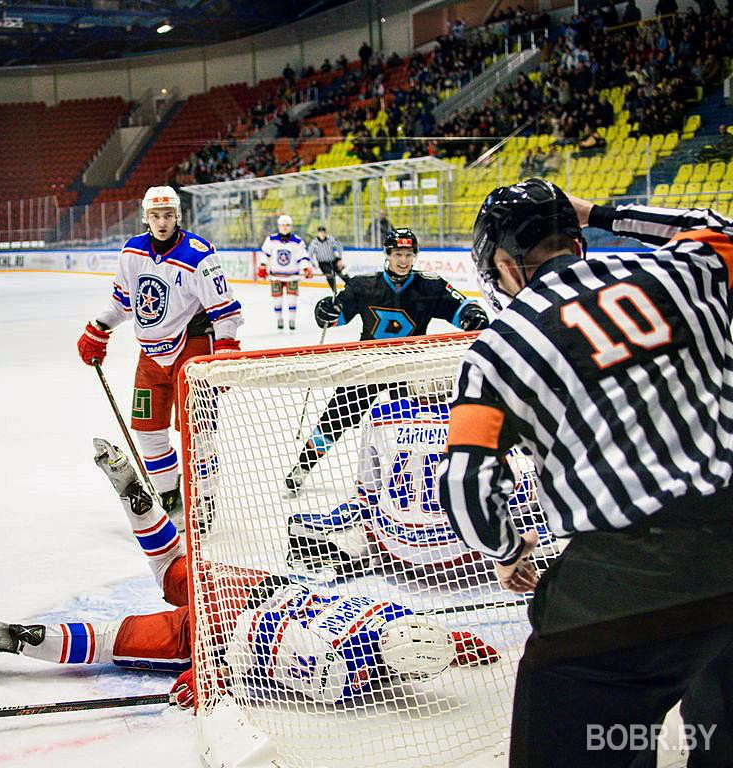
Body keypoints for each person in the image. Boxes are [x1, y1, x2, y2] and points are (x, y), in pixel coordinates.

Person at [438, 178, 733, 766]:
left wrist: (506, 551)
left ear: (504, 265)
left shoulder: (499, 350)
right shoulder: (681, 274)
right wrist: (604, 210)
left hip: (626, 588)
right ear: (578, 239)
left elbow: (468, 490)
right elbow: (718, 227)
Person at [0, 440, 500, 709]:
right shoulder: (345, 678)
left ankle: (138, 499)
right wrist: (206, 679)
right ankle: (6, 637)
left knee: (174, 569)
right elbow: (252, 664)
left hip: (255, 586)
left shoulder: (393, 615)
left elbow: (433, 635)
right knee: (109, 641)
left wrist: (466, 644)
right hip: (218, 635)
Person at [77, 186, 243, 519]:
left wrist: (224, 349)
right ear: (146, 218)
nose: (162, 222)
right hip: (150, 355)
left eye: (168, 215)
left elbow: (224, 310)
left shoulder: (199, 254)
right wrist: (99, 328)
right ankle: (168, 494)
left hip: (193, 353)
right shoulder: (132, 252)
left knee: (198, 433)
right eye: (155, 216)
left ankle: (205, 499)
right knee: (147, 429)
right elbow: (124, 303)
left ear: (177, 216)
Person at [284, 228, 489, 494]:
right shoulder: (364, 285)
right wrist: (325, 310)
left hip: (410, 370)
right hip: (369, 365)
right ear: (387, 255)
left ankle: (419, 477)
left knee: (417, 424)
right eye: (397, 254)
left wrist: (472, 315)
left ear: (414, 256)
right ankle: (303, 467)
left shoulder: (430, 286)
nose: (403, 260)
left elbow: (461, 309)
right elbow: (337, 315)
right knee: (335, 419)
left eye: (408, 254)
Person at [287, 387, 546, 579]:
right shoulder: (477, 415)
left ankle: (301, 469)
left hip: (394, 549)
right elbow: (519, 493)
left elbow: (367, 494)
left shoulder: (382, 415)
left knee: (335, 422)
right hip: (467, 553)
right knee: (534, 496)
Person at [258, 214, 313, 332]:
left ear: (291, 226)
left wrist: (305, 268)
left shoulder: (297, 241)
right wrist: (262, 266)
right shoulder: (271, 240)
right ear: (279, 226)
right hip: (275, 276)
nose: (285, 227)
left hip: (292, 275)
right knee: (277, 300)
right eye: (282, 225)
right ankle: (279, 320)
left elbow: (303, 257)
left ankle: (292, 320)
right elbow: (264, 254)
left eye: (287, 225)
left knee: (292, 299)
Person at [307, 225, 345, 294]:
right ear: (318, 233)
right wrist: (313, 263)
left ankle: (351, 287)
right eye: (320, 232)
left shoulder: (330, 239)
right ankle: (335, 292)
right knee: (329, 275)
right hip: (323, 263)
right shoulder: (314, 242)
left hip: (333, 260)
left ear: (325, 233)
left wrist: (340, 259)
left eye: (323, 232)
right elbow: (310, 254)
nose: (322, 234)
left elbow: (339, 246)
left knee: (342, 274)